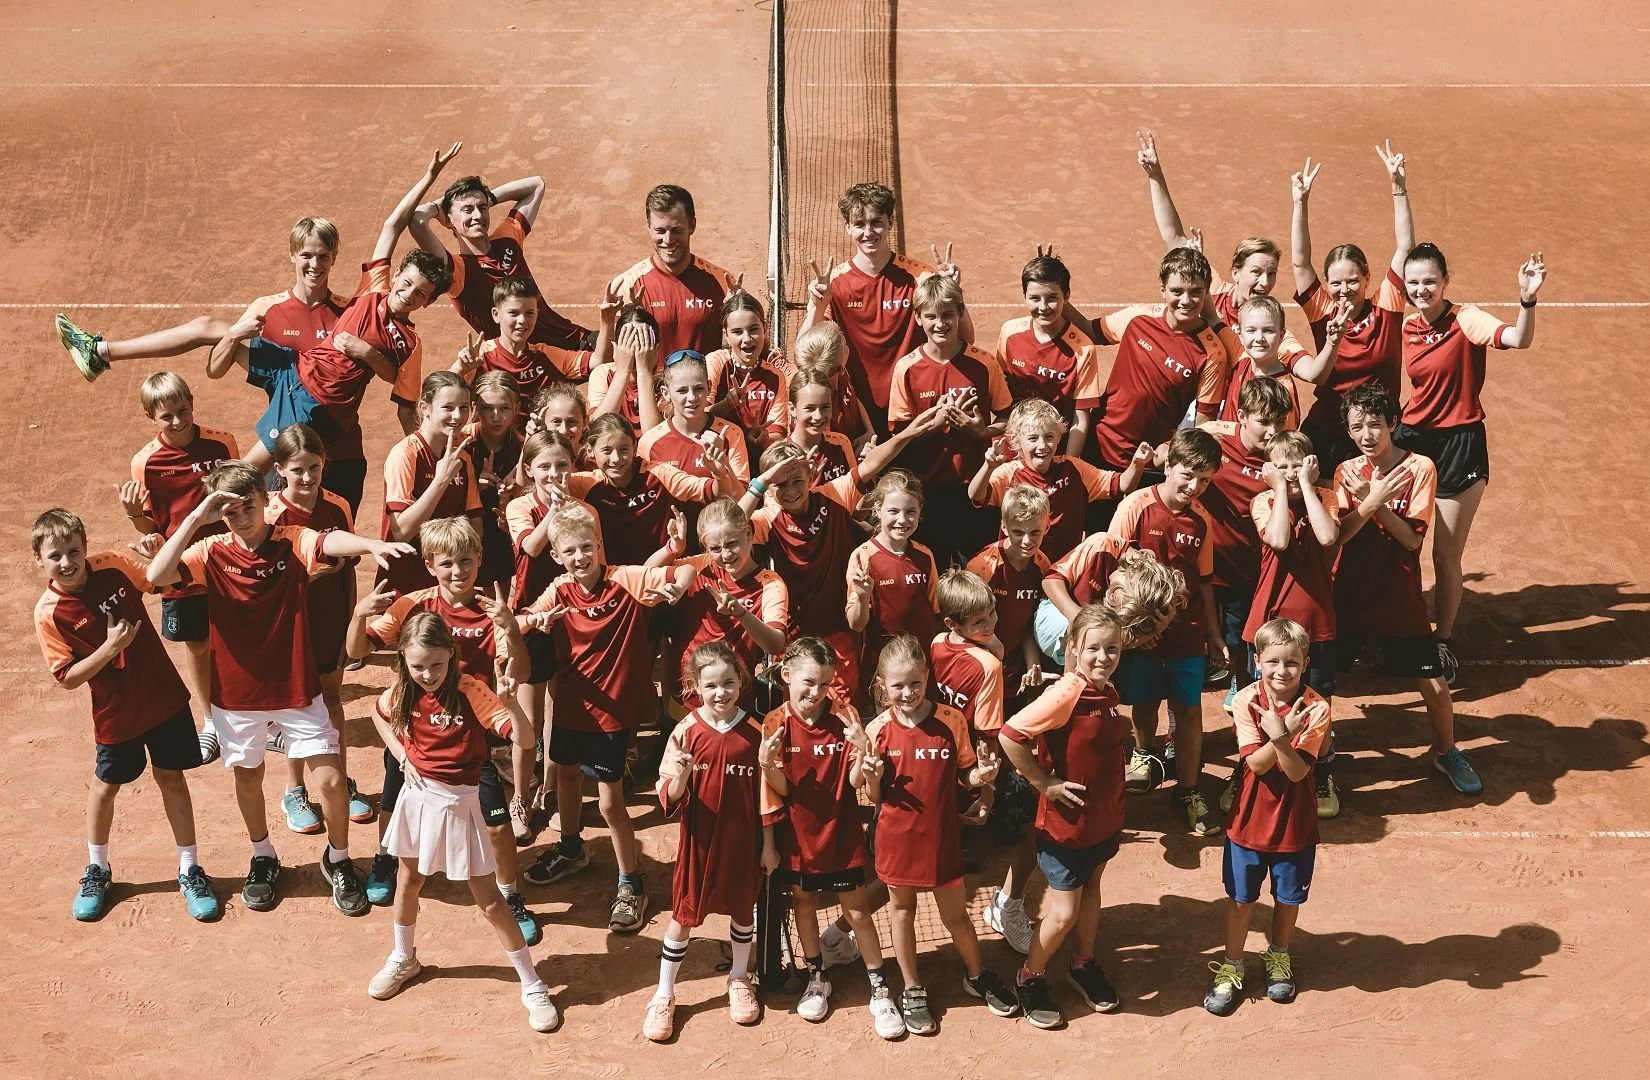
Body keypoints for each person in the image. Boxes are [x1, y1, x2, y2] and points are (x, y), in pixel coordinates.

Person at [145, 460, 412, 915]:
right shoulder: (209, 551)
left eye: (248, 506)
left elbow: (328, 540)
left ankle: (339, 858)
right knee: (248, 779)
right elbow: (157, 576)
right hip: (235, 694)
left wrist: (371, 543)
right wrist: (196, 517)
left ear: (266, 502)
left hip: (296, 686)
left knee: (328, 780)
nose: (241, 517)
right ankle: (263, 855)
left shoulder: (291, 541)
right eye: (229, 512)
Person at [210, 146, 462, 506]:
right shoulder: (373, 288)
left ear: (427, 302)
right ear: (395, 278)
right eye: (404, 284)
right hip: (298, 382)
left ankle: (206, 506)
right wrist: (429, 177)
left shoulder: (409, 342)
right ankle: (200, 511)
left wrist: (369, 355)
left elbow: (404, 398)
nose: (407, 294)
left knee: (253, 477)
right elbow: (392, 225)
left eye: (419, 294)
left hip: (320, 407)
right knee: (250, 473)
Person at [364, 613, 562, 1034]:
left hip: (461, 804)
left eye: (436, 665)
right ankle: (404, 957)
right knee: (408, 882)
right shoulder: (404, 689)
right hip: (417, 799)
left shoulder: (472, 691)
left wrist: (510, 703)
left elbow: (524, 740)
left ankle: (532, 982)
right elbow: (378, 714)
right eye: (418, 666)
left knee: (490, 900)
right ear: (403, 659)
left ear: (451, 656)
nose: (428, 674)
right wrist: (401, 754)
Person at [346, 517, 537, 937]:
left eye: (466, 561)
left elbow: (519, 672)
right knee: (392, 804)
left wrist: (512, 631)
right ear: (431, 564)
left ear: (480, 559)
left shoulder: (492, 612)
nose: (458, 572)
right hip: (411, 727)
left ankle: (510, 894)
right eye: (447, 562)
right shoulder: (411, 604)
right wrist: (360, 614)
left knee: (498, 823)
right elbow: (357, 650)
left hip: (470, 733)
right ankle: (385, 860)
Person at [32, 509, 220, 923]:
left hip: (164, 698)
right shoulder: (49, 612)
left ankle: (189, 869)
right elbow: (66, 677)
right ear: (39, 561)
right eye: (56, 555)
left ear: (85, 546)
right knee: (105, 788)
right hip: (116, 714)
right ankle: (97, 869)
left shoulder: (113, 567)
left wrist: (155, 546)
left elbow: (158, 578)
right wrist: (108, 650)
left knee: (172, 778)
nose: (67, 562)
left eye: (73, 550)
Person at [518, 505, 695, 935]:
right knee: (565, 781)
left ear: (600, 546)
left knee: (612, 802)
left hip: (613, 713)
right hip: (570, 707)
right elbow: (522, 620)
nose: (580, 557)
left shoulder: (626, 579)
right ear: (557, 556)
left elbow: (681, 573)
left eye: (586, 548)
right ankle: (571, 849)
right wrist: (533, 621)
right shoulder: (559, 590)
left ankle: (631, 882)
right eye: (569, 551)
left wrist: (676, 580)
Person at [1394, 243, 1546, 684]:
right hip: (1412, 441)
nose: (1421, 289)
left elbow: (1518, 339)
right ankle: (1388, 627)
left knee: (1444, 555)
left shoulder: (1466, 319)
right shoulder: (1405, 326)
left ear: (1445, 281)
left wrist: (1527, 298)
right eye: (1414, 281)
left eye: (1429, 281)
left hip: (1460, 444)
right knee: (1391, 543)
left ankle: (1441, 642)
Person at [738, 406, 947, 705]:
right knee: (801, 708)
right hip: (796, 632)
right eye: (780, 484)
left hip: (840, 629)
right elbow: (732, 525)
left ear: (810, 475)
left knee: (843, 710)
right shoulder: (767, 518)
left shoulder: (832, 496)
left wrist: (910, 431)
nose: (791, 491)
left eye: (797, 480)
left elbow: (873, 463)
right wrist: (761, 482)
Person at [862, 635, 1019, 1035]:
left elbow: (967, 771)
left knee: (956, 917)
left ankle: (977, 975)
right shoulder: (877, 729)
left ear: (927, 677)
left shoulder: (951, 720)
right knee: (902, 912)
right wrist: (873, 777)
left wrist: (982, 778)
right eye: (897, 685)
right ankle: (912, 988)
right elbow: (874, 797)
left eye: (915, 683)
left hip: (943, 840)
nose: (907, 692)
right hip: (896, 841)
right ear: (882, 685)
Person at [1333, 385, 1481, 794]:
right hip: (1349, 592)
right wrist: (1368, 502)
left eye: (1375, 425)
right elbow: (1341, 536)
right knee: (1321, 677)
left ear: (1393, 425)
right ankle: (1319, 755)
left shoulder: (1419, 468)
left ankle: (1445, 751)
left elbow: (1413, 541)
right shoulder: (1346, 471)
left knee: (1433, 683)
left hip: (1399, 593)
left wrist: (1375, 502)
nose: (1367, 435)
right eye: (1357, 427)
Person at [758, 638, 905, 1039]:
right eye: (808, 682)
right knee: (804, 905)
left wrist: (864, 756)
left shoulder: (845, 716)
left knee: (857, 911)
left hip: (840, 835)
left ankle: (880, 987)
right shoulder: (774, 722)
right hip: (798, 838)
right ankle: (817, 976)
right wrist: (766, 764)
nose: (816, 692)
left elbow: (855, 781)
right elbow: (782, 791)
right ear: (786, 676)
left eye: (824, 684)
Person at [999, 605, 1129, 1028]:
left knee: (1092, 888)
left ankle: (1082, 963)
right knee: (1062, 913)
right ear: (1072, 647)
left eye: (1112, 649)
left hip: (1103, 819)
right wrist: (1044, 782)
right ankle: (1029, 976)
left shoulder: (1106, 690)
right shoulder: (1067, 692)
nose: (1103, 657)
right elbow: (1011, 735)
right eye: (1093, 648)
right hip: (1066, 827)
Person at [1204, 618, 1330, 1017]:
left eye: (1292, 662)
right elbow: (1256, 766)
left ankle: (1278, 956)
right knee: (1241, 901)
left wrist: (1278, 734)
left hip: (1295, 823)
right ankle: (1232, 964)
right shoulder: (1245, 701)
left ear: (1305, 662)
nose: (1282, 670)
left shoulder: (1318, 708)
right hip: (1248, 822)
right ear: (1257, 661)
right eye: (1273, 660)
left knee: (1287, 899)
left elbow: (1297, 772)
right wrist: (1282, 735)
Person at [54, 217, 349, 385]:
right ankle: (103, 352)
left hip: (332, 425)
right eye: (307, 256)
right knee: (214, 328)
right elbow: (215, 369)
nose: (315, 264)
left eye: (323, 256)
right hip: (288, 421)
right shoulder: (266, 308)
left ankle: (102, 352)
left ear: (334, 258)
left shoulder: (346, 311)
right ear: (292, 256)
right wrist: (233, 336)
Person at [645, 642, 768, 1040]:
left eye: (729, 683)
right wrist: (680, 777)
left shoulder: (755, 731)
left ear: (741, 682)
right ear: (695, 685)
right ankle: (664, 994)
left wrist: (768, 844)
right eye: (711, 685)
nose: (721, 692)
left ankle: (738, 979)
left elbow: (769, 794)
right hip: (699, 844)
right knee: (683, 918)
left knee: (743, 911)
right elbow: (668, 792)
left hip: (743, 843)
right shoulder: (686, 731)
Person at [1108, 429, 1226, 834]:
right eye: (1188, 474)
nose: (1194, 486)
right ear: (1167, 465)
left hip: (1186, 633)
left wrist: (1213, 634)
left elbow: (1205, 581)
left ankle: (1189, 789)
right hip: (1142, 634)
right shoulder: (1135, 505)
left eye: (1205, 480)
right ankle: (1145, 753)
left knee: (1189, 709)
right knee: (1143, 701)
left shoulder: (1202, 520)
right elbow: (1113, 569)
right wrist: (1137, 627)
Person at [120, 372, 238, 764]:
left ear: (191, 401)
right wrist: (139, 522)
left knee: (241, 639)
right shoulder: (145, 463)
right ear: (150, 417)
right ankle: (211, 723)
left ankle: (255, 714)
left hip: (229, 559)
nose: (177, 421)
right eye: (166, 416)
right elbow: (151, 528)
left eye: (182, 410)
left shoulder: (222, 443)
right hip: (184, 569)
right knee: (199, 645)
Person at [266, 423, 373, 830]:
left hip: (331, 621)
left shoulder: (339, 506)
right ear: (279, 470)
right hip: (291, 626)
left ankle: (339, 780)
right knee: (297, 708)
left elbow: (349, 573)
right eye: (297, 470)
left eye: (314, 467)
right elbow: (270, 582)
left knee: (332, 700)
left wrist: (349, 627)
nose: (308, 477)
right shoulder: (270, 515)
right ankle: (294, 791)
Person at [799, 182, 972, 434]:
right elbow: (804, 353)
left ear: (890, 222)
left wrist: (954, 294)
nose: (868, 232)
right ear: (847, 227)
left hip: (913, 410)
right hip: (856, 413)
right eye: (859, 224)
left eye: (876, 222)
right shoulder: (834, 284)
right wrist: (818, 305)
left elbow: (966, 338)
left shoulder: (920, 277)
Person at [1289, 142, 1417, 465]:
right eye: (1335, 282)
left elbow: (1405, 248)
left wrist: (1398, 189)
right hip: (1329, 429)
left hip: (1377, 432)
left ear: (1367, 279)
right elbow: (1301, 264)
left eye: (1352, 281)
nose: (1343, 289)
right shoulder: (1322, 311)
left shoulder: (1386, 307)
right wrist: (1299, 204)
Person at [1087, 247, 1238, 495]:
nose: (1186, 301)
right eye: (1176, 291)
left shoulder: (1213, 353)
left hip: (1148, 462)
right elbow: (1087, 330)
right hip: (1098, 443)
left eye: (1196, 292)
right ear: (1162, 290)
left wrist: (1167, 452)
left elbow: (1201, 425)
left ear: (1206, 292)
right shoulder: (1138, 318)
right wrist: (1052, 281)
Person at [1246, 430, 1341, 816]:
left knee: (1317, 706)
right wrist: (1283, 489)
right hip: (1268, 622)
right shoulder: (1263, 501)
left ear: (1311, 465)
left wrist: (1307, 485)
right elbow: (1280, 540)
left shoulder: (1327, 498)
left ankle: (1319, 775)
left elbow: (1326, 535)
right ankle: (1251, 775)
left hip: (1316, 624)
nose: (1289, 472)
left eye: (1297, 465)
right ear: (1269, 469)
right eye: (1281, 466)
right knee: (1262, 706)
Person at [887, 274, 1012, 559]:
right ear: (918, 318)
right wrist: (934, 424)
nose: (940, 324)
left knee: (980, 569)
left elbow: (1007, 418)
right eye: (931, 316)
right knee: (935, 570)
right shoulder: (906, 369)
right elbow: (900, 436)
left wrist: (980, 433)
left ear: (960, 313)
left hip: (977, 489)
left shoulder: (984, 364)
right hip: (927, 492)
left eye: (948, 315)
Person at [1134, 129, 1305, 338]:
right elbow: (1174, 237)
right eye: (1256, 272)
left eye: (1271, 274)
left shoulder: (1267, 324)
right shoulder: (1212, 290)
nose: (1265, 282)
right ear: (1235, 273)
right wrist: (1155, 175)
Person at [410, 168, 593, 351]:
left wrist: (488, 198)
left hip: (574, 343)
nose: (478, 216)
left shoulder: (507, 240)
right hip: (523, 366)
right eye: (467, 210)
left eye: (482, 208)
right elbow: (417, 220)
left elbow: (536, 184)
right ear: (449, 220)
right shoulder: (457, 270)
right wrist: (438, 207)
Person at [1198, 377, 1292, 711]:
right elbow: (1178, 457)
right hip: (1205, 564)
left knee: (1240, 637)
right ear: (1242, 417)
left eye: (1279, 422)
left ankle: (1240, 681)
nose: (1272, 431)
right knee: (1200, 637)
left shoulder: (1281, 458)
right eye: (1264, 422)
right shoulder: (1214, 438)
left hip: (1247, 568)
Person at [969, 398, 1148, 562]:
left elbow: (1123, 484)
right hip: (1020, 567)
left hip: (1064, 569)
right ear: (1016, 440)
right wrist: (988, 466)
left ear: (1059, 437)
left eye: (1049, 437)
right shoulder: (1009, 473)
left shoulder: (1074, 469)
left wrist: (1137, 464)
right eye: (1032, 438)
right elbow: (976, 495)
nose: (1042, 446)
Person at [569, 412, 737, 567]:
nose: (616, 459)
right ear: (590, 451)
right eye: (607, 450)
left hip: (667, 570)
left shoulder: (658, 473)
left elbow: (714, 492)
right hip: (620, 580)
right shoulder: (586, 484)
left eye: (624, 449)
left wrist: (719, 473)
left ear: (635, 447)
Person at [673, 499, 788, 708]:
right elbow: (643, 575)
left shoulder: (769, 582)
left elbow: (775, 643)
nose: (725, 555)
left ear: (749, 535)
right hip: (689, 690)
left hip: (733, 697)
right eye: (716, 548)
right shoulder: (699, 566)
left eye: (732, 543)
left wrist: (741, 613)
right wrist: (672, 548)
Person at [378, 371, 483, 595]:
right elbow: (402, 531)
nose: (457, 416)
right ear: (425, 407)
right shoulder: (405, 454)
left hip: (448, 582)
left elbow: (476, 527)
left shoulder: (462, 458)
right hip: (406, 582)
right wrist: (440, 481)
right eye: (448, 407)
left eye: (464, 407)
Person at [609, 184, 740, 356]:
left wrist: (743, 308)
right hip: (650, 383)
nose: (668, 240)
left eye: (676, 230)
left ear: (692, 225)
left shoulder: (722, 283)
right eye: (660, 231)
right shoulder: (627, 287)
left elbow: (746, 346)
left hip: (704, 383)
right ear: (649, 228)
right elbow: (610, 360)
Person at [994, 252, 1105, 453]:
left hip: (1052, 451)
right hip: (1012, 447)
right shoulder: (1009, 333)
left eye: (1052, 298)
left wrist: (1070, 463)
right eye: (1034, 298)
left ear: (1067, 296)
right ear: (1024, 296)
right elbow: (1000, 393)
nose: (1043, 307)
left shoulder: (1083, 349)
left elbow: (1080, 416)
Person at [846, 470, 939, 710]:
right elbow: (855, 624)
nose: (902, 520)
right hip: (883, 666)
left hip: (921, 664)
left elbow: (937, 613)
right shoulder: (863, 556)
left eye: (911, 512)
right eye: (893, 511)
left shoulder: (925, 555)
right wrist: (862, 595)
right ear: (877, 510)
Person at [451, 277, 609, 417]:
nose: (522, 320)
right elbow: (441, 391)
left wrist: (607, 320)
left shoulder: (547, 355)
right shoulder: (480, 356)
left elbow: (597, 361)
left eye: (529, 313)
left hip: (539, 446)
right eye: (513, 313)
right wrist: (460, 369)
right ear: (496, 315)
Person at [965, 485, 1056, 695]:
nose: (1027, 541)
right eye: (1018, 532)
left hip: (1016, 669)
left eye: (1035, 532)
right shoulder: (982, 567)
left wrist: (1033, 664)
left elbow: (1030, 623)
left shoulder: (1042, 567)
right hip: (980, 666)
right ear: (1004, 527)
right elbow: (964, 626)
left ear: (1046, 527)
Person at [1220, 294, 1350, 429]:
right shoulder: (1240, 356)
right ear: (1240, 336)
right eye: (1251, 330)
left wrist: (1331, 342)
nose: (1259, 338)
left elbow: (1281, 445)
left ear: (1282, 336)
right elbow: (1212, 319)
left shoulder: (1283, 390)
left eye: (1268, 330)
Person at [463, 370, 526, 590]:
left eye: (504, 408)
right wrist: (472, 487)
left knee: (498, 592)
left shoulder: (523, 449)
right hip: (464, 529)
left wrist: (514, 491)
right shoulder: (463, 443)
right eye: (487, 408)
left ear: (516, 407)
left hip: (502, 533)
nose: (496, 416)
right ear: (474, 408)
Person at [706, 290, 788, 450]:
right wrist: (727, 404)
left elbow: (778, 432)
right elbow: (698, 417)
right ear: (726, 335)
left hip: (760, 460)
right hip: (719, 454)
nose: (747, 339)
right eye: (737, 332)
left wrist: (763, 437)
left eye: (753, 329)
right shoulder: (716, 362)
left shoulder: (775, 376)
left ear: (765, 329)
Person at [786, 320, 875, 447]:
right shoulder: (823, 409)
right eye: (843, 343)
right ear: (842, 362)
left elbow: (852, 398)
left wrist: (869, 430)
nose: (845, 340)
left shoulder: (837, 371)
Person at [588, 307, 666, 433]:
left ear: (656, 348)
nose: (635, 351)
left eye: (642, 342)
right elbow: (598, 430)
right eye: (628, 342)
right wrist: (623, 371)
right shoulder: (603, 374)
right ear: (615, 347)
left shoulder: (667, 378)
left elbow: (654, 437)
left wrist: (644, 372)